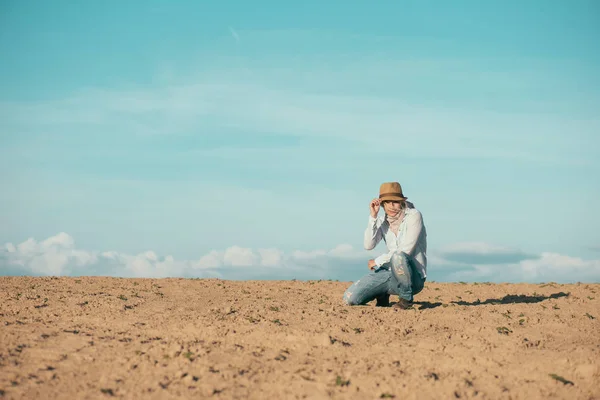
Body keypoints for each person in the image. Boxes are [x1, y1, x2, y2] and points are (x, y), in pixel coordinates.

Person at [343, 182, 427, 309]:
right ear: (382, 204)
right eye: (387, 202)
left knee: (398, 257)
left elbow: (405, 250)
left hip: (413, 278)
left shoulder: (414, 216)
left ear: (402, 202)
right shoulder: (382, 221)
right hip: (388, 273)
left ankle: (406, 300)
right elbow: (368, 245)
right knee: (350, 299)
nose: (391, 206)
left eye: (395, 202)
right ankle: (382, 294)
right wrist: (373, 216)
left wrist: (377, 261)